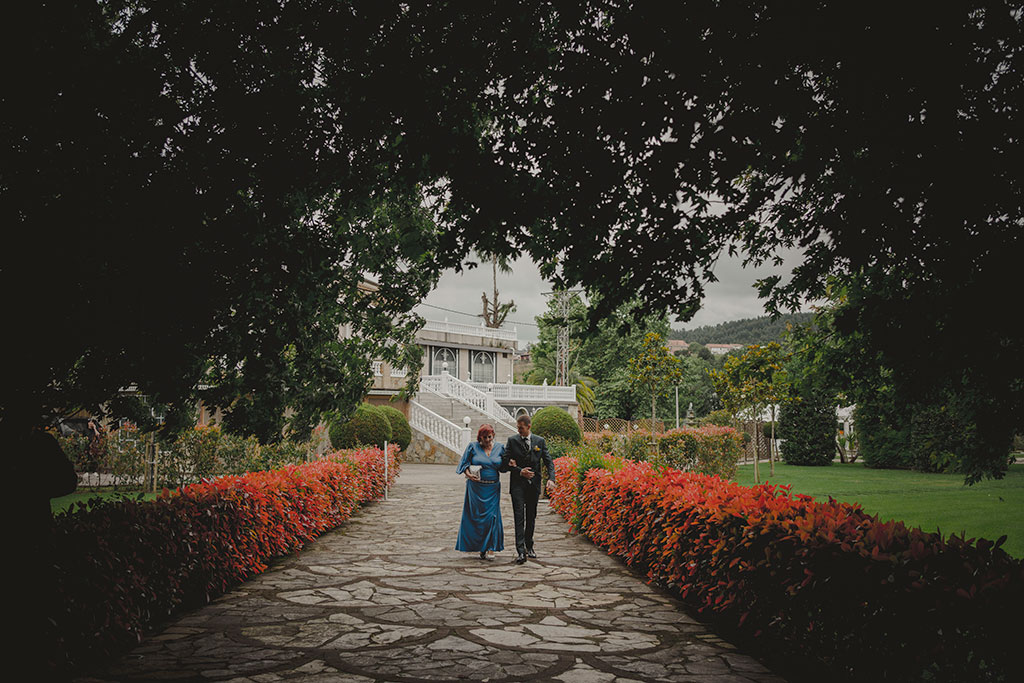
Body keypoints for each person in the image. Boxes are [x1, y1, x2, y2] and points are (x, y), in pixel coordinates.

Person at [500, 413, 556, 564]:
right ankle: (520, 551)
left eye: (521, 428)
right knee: (519, 518)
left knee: (531, 517)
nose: (519, 430)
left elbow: (549, 462)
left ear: (528, 427)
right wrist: (519, 470)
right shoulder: (512, 441)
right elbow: (504, 464)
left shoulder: (540, 441)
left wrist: (551, 479)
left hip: (534, 485)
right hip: (518, 485)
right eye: (518, 428)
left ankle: (529, 546)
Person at [455, 423, 505, 560]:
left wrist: (511, 464)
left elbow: (505, 467)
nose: (487, 440)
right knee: (477, 518)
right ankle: (481, 546)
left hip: (493, 488)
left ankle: (490, 547)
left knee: (492, 517)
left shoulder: (500, 448)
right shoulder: (473, 447)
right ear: (479, 438)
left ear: (493, 435)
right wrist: (468, 474)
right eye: (484, 438)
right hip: (476, 489)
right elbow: (464, 463)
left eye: (489, 437)